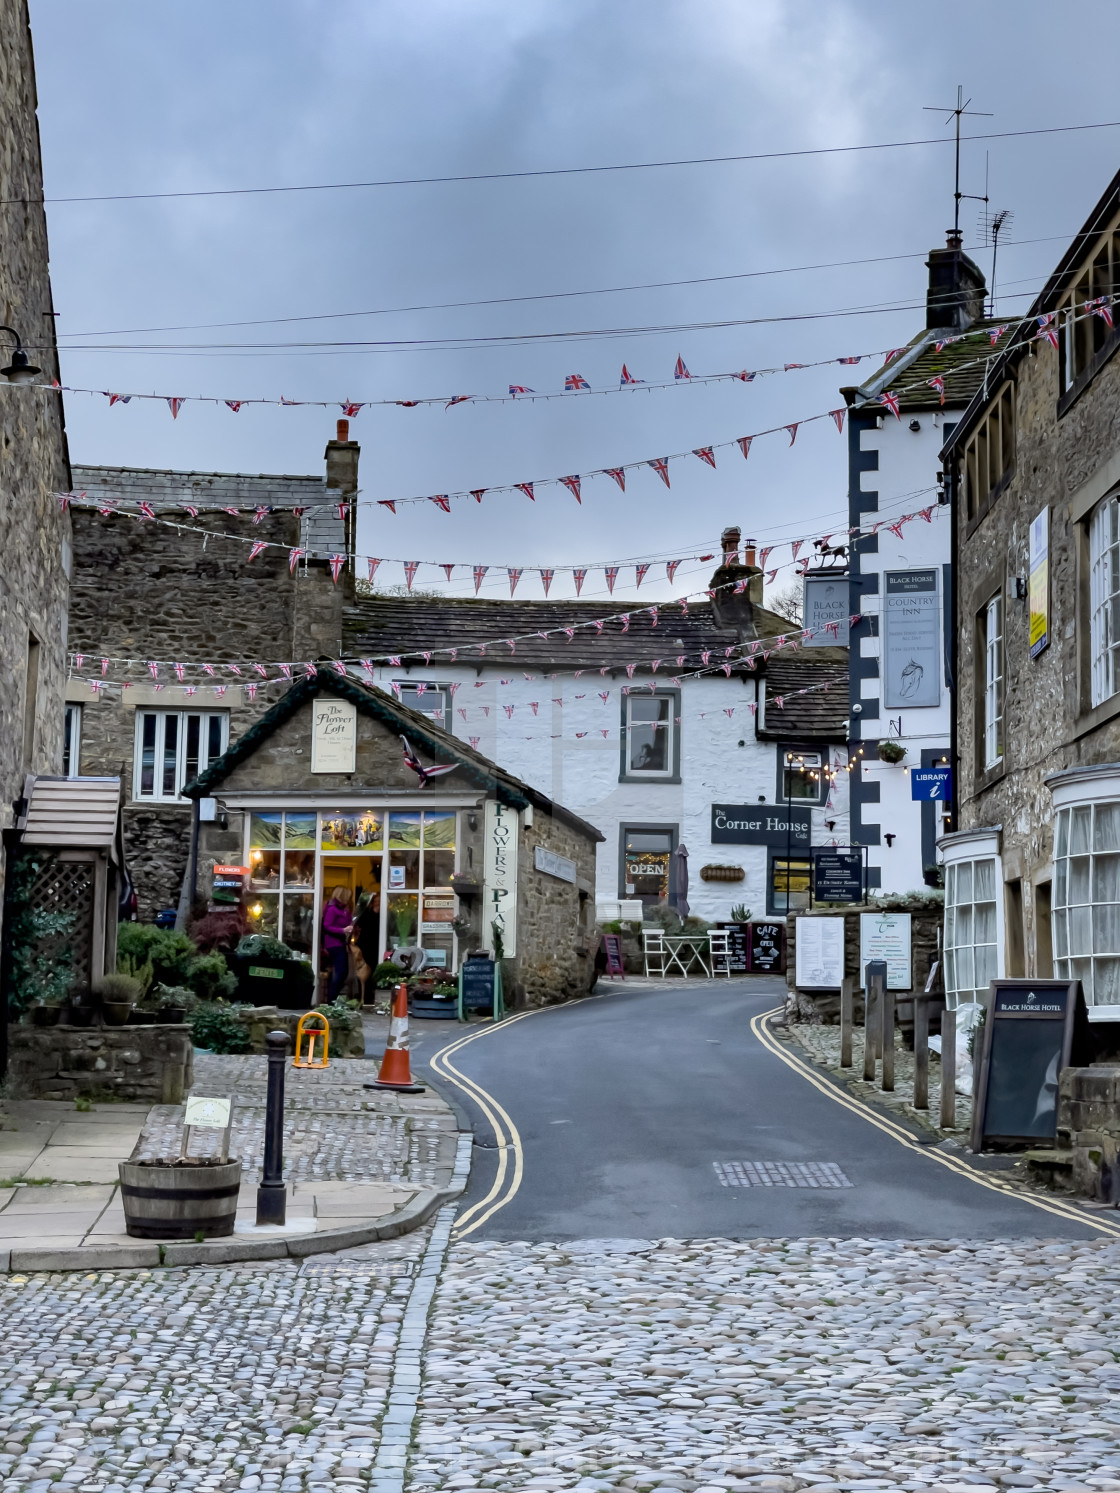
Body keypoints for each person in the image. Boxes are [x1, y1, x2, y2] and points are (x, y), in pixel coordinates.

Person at [322, 886, 354, 1001]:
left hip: (340, 944)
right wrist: (343, 930)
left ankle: (333, 998)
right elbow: (327, 926)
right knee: (340, 972)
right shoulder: (332, 909)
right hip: (334, 944)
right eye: (348, 896)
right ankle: (331, 1000)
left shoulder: (343, 910)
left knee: (343, 972)